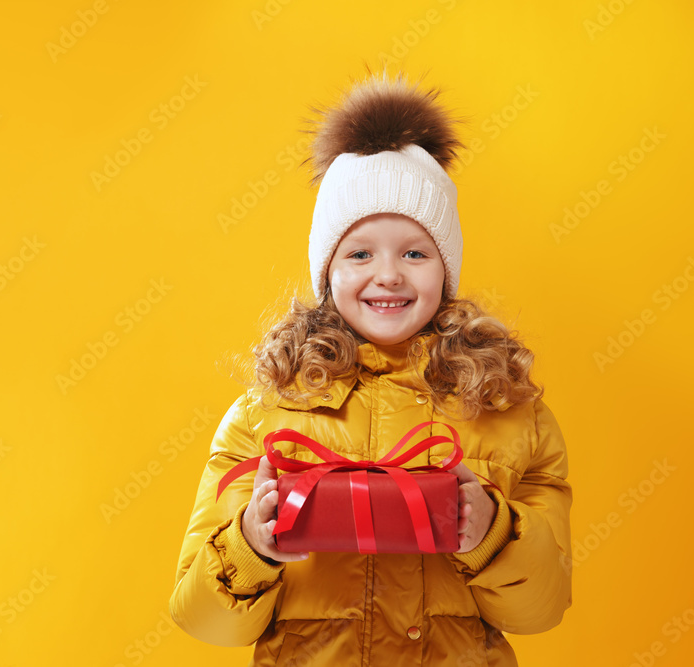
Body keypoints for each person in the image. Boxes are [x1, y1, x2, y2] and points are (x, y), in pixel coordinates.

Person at [169, 70, 572, 666]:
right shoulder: (264, 413)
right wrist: (251, 544)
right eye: (359, 253)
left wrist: (492, 532)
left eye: (415, 252)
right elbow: (201, 617)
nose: (388, 275)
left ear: (446, 268)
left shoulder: (508, 409)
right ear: (327, 272)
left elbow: (542, 608)